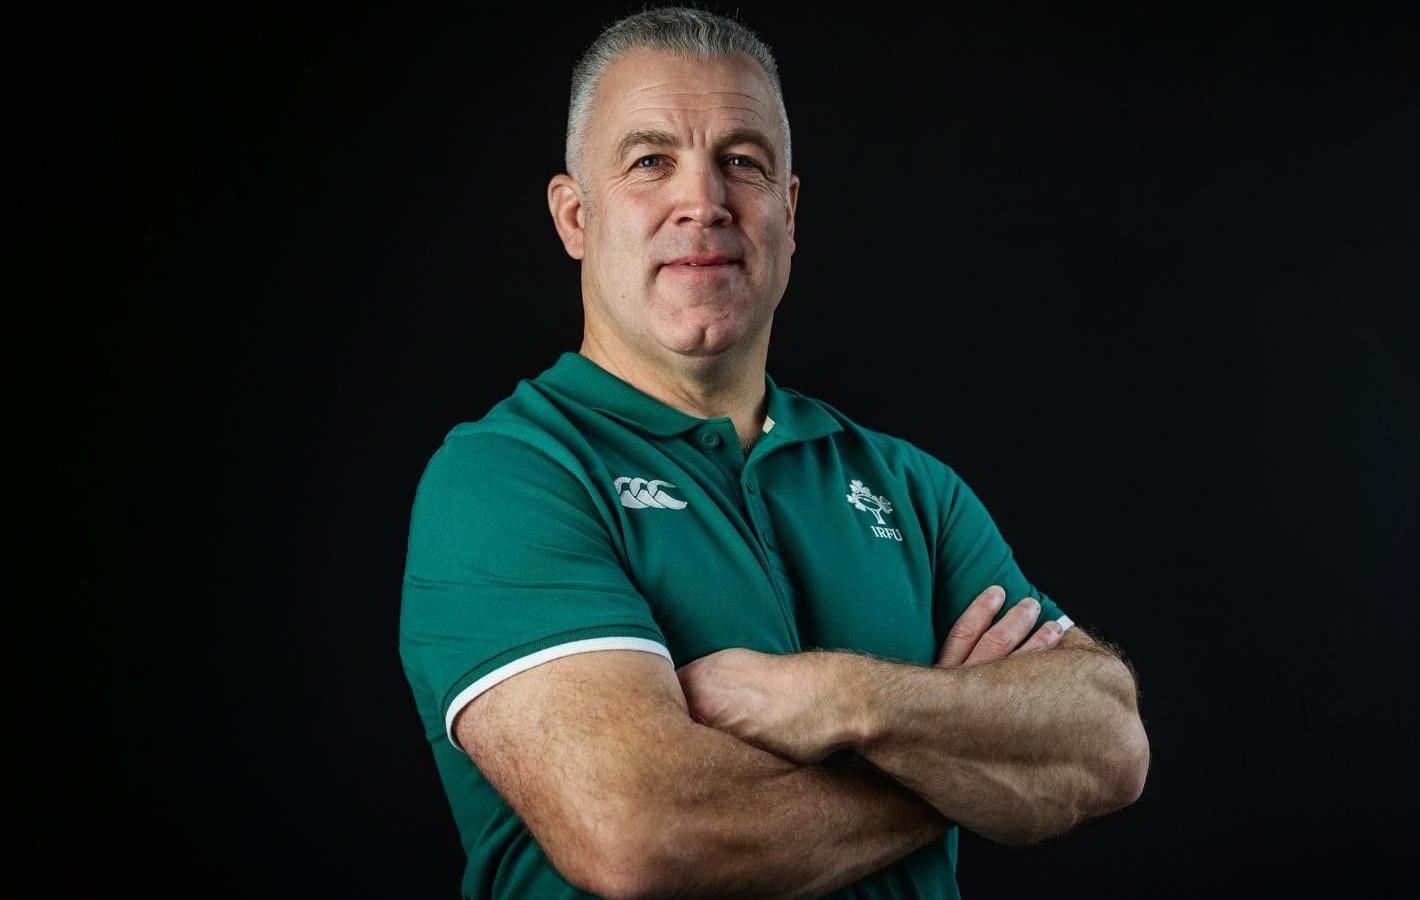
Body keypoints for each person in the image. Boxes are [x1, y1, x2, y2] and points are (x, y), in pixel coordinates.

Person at [398, 7, 1149, 898]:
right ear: (575, 216)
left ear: (787, 213)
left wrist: (846, 698)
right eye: (650, 162)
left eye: (743, 162)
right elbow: (649, 834)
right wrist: (971, 763)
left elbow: (1107, 742)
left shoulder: (907, 486)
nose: (704, 202)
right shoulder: (508, 478)